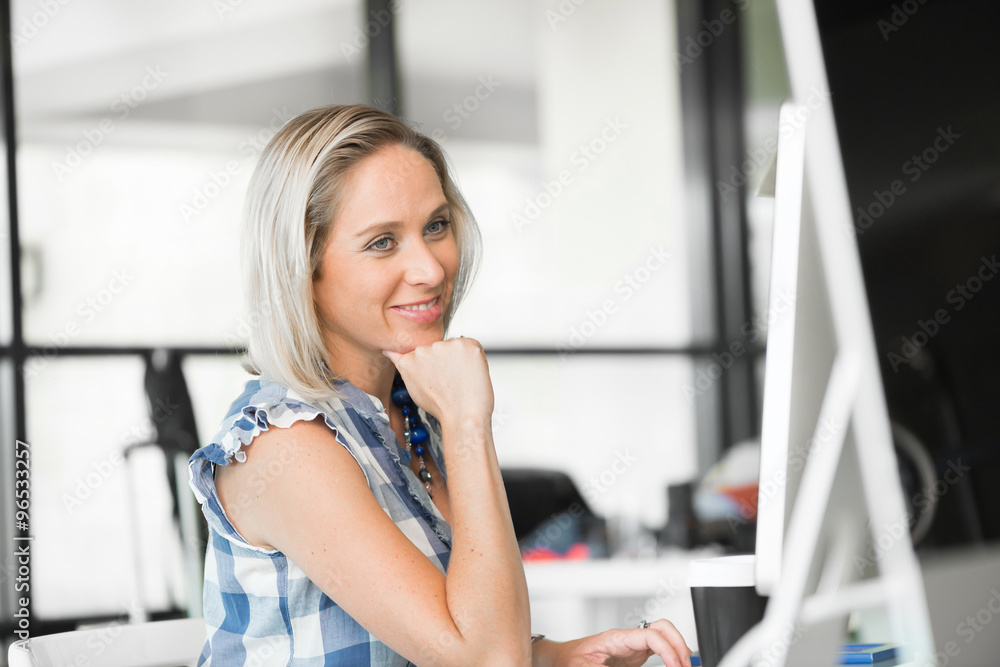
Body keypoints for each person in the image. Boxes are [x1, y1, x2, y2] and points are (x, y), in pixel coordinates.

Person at [188, 103, 692, 666]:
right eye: (382, 241)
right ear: (304, 266)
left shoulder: (409, 412)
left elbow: (462, 633)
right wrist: (469, 423)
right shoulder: (285, 444)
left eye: (436, 225)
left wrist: (556, 658)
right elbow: (486, 662)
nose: (430, 268)